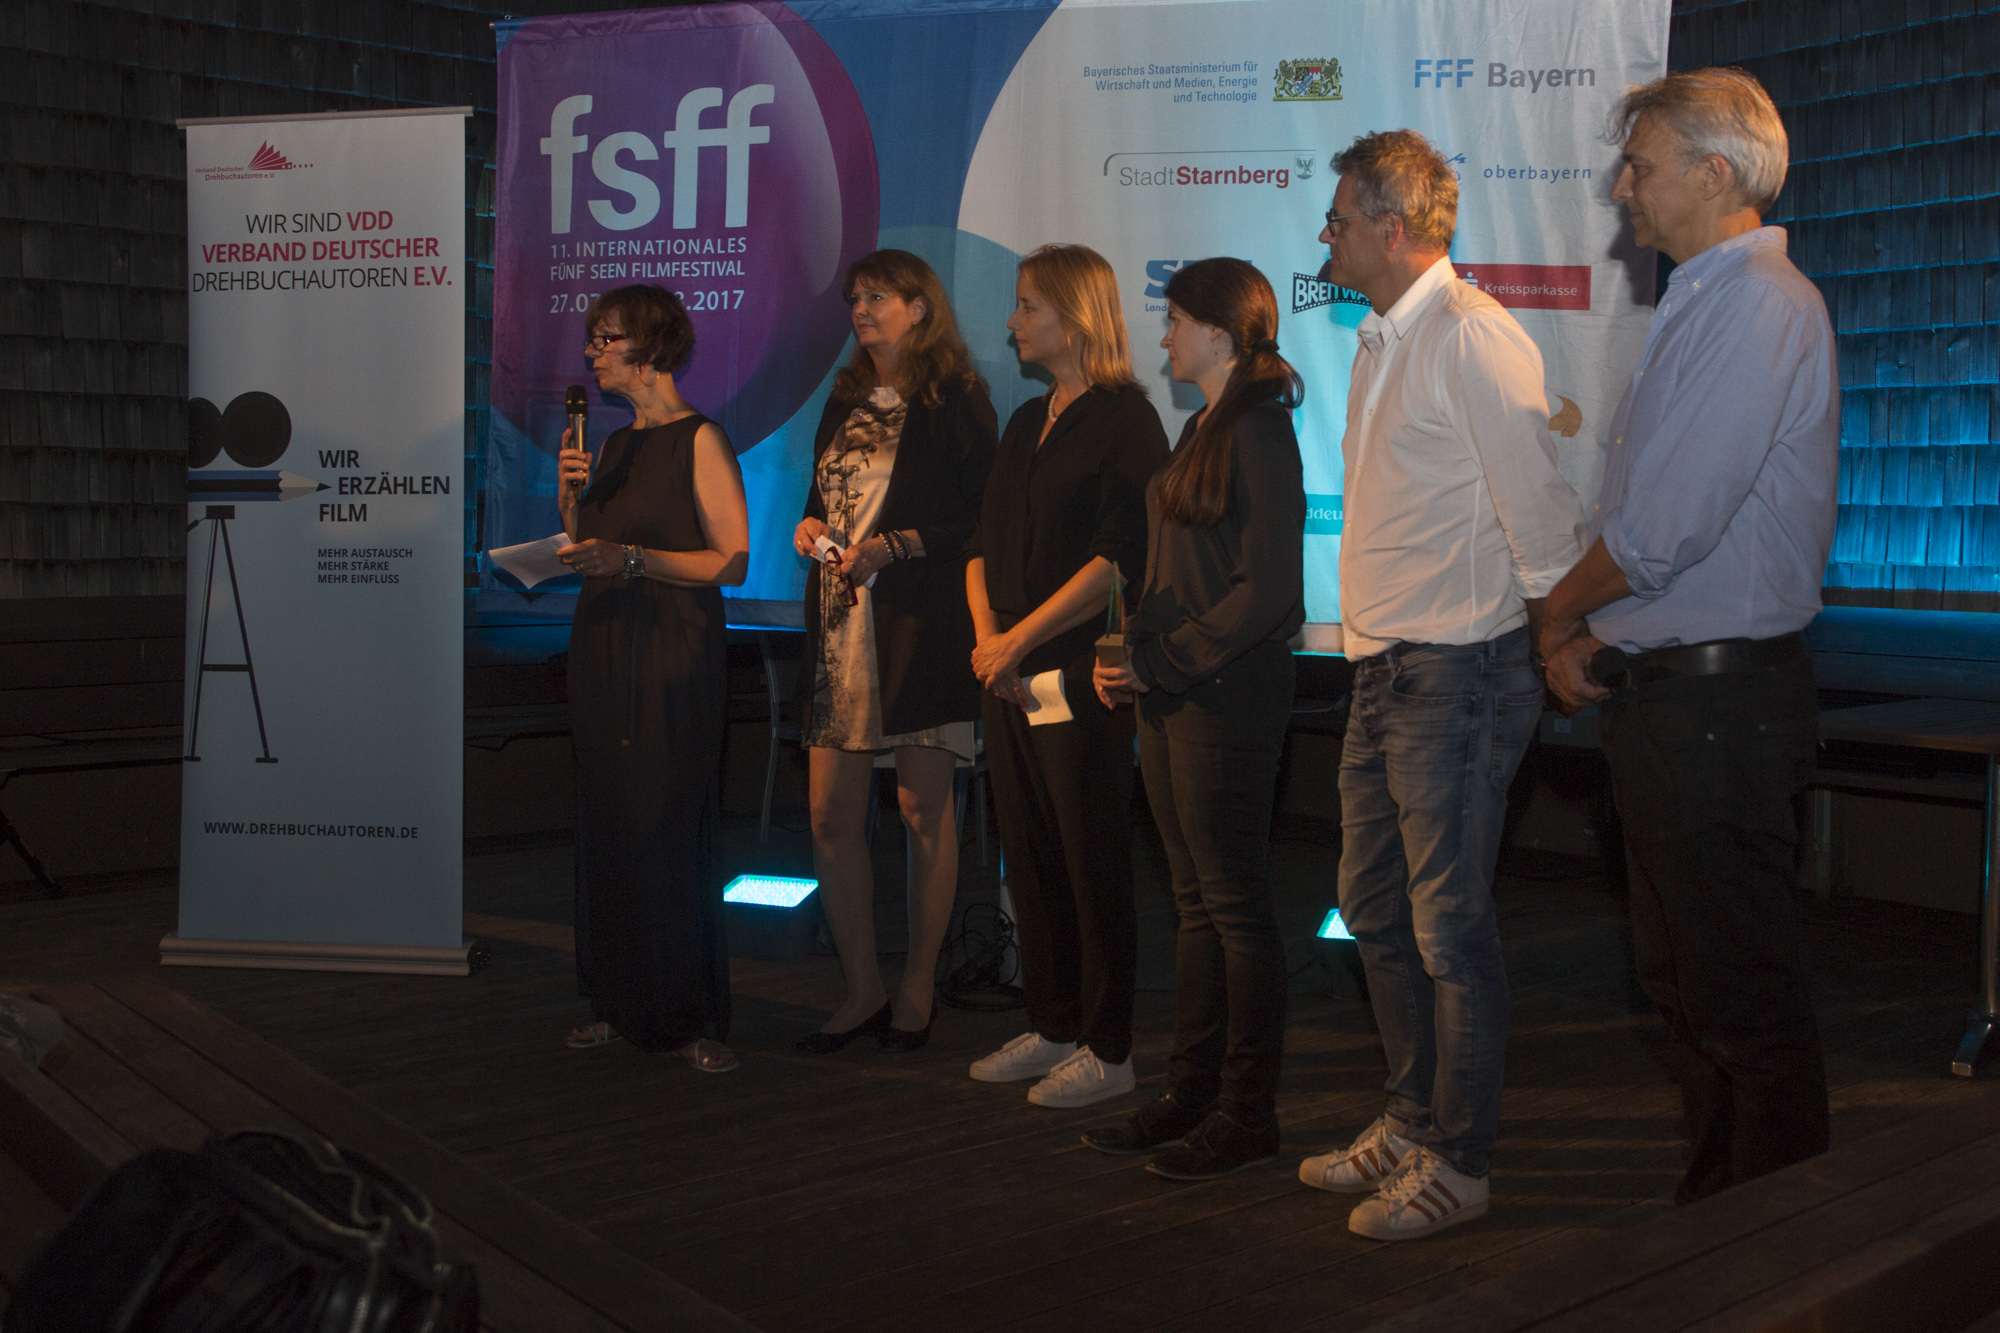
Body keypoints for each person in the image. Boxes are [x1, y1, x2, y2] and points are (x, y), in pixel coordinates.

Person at [1540, 69, 1838, 1204]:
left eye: (1640, 166)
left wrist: (1558, 612)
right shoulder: (1705, 301)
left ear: (1715, 174)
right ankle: (1720, 1228)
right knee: (1689, 989)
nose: (1622, 189)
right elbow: (1651, 530)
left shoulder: (1755, 303)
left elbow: (1661, 531)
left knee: (1737, 998)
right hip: (1681, 703)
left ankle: (1779, 1254)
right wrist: (1595, 630)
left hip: (1718, 710)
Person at [1293, 130, 1585, 1241]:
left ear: (1392, 226)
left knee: (1447, 926)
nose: (1325, 236)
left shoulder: (1469, 333)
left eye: (1337, 219)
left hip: (1459, 669)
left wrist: (1558, 638)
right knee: (1371, 908)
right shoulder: (1382, 338)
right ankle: (1412, 1119)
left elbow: (1539, 510)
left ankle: (1459, 1161)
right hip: (1382, 669)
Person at [1084, 257, 1306, 1180]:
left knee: (1234, 907)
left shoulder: (1260, 427)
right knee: (1194, 904)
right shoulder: (1200, 425)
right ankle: (1190, 1094)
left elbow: (1270, 590)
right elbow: (1177, 572)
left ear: (1218, 331)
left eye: (1175, 320)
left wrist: (1161, 659)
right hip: (1176, 691)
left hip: (1227, 694)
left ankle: (1247, 1112)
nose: (1165, 336)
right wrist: (1133, 651)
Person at [964, 244, 1169, 1107]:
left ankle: (1108, 1046)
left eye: (1028, 306)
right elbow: (980, 545)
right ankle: (1052, 1023)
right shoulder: (1024, 421)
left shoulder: (1128, 421)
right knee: (1031, 853)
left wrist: (1020, 641)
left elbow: (1120, 559)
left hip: (1078, 674)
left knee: (1092, 860)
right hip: (1006, 670)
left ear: (1076, 317)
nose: (1012, 321)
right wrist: (991, 642)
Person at [792, 249, 999, 1053]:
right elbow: (822, 498)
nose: (861, 307)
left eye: (878, 295)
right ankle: (861, 989)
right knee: (829, 815)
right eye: (855, 295)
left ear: (920, 307)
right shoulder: (844, 397)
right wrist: (810, 526)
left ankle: (916, 985)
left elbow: (982, 520)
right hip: (839, 629)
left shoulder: (957, 399)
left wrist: (901, 544)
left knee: (921, 808)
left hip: (920, 628)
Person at [556, 284, 750, 1073]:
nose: (592, 354)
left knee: (664, 822)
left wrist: (632, 560)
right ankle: (619, 999)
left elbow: (730, 560)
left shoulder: (699, 438)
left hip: (672, 648)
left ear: (650, 345)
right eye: (593, 339)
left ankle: (689, 1014)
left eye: (606, 338)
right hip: (604, 642)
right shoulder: (609, 447)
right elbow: (589, 544)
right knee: (609, 820)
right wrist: (570, 499)